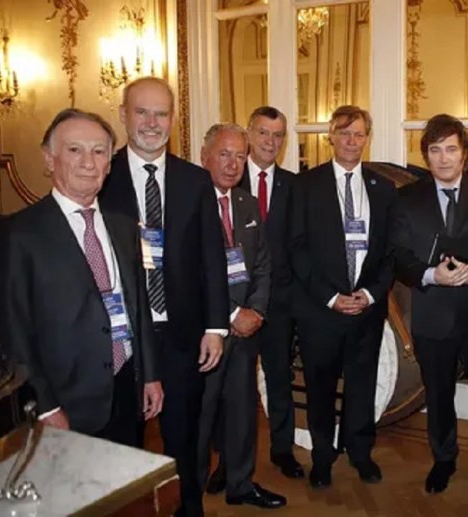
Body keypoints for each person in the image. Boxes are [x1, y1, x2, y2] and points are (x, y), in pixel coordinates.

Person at [0, 108, 162, 447]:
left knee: (126, 479)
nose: (88, 163)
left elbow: (138, 308)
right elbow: (11, 332)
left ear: (109, 164)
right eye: (75, 150)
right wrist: (45, 405)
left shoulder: (124, 227)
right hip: (64, 401)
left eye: (99, 151)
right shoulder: (16, 235)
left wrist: (149, 375)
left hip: (126, 387)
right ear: (49, 159)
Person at [99, 77, 230, 517]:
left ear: (173, 120)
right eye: (142, 112)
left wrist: (215, 327)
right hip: (120, 337)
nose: (151, 123)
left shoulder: (196, 181)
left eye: (161, 114)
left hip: (182, 336)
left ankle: (189, 509)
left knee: (184, 437)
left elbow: (213, 259)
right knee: (123, 443)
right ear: (124, 115)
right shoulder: (101, 176)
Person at [391, 113, 468, 495]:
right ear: (426, 155)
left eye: (450, 149)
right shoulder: (406, 198)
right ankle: (443, 458)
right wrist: (432, 275)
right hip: (432, 315)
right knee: (438, 393)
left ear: (464, 153)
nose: (443, 158)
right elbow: (397, 255)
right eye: (435, 150)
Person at [289, 105, 396, 489]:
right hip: (322, 311)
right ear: (330, 136)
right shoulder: (305, 186)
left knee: (362, 385)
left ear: (367, 138)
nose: (352, 141)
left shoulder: (383, 188)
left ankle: (361, 452)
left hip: (366, 310)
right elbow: (297, 249)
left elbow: (391, 252)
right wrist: (331, 297)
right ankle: (322, 456)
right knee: (320, 388)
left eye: (359, 134)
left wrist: (369, 293)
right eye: (344, 133)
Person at [194, 124, 286, 509]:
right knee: (200, 418)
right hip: (206, 333)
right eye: (224, 154)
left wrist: (257, 311)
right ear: (205, 157)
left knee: (242, 412)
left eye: (239, 156)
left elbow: (263, 262)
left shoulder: (247, 203)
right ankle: (190, 496)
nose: (233, 164)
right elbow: (189, 273)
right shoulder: (189, 204)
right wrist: (231, 313)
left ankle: (240, 484)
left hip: (247, 330)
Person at [228, 106, 304, 481]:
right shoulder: (228, 180)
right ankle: (229, 462)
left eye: (277, 135)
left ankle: (283, 450)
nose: (270, 142)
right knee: (235, 388)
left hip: (282, 305)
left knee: (279, 380)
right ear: (249, 134)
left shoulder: (296, 186)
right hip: (236, 307)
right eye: (263, 133)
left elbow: (302, 246)